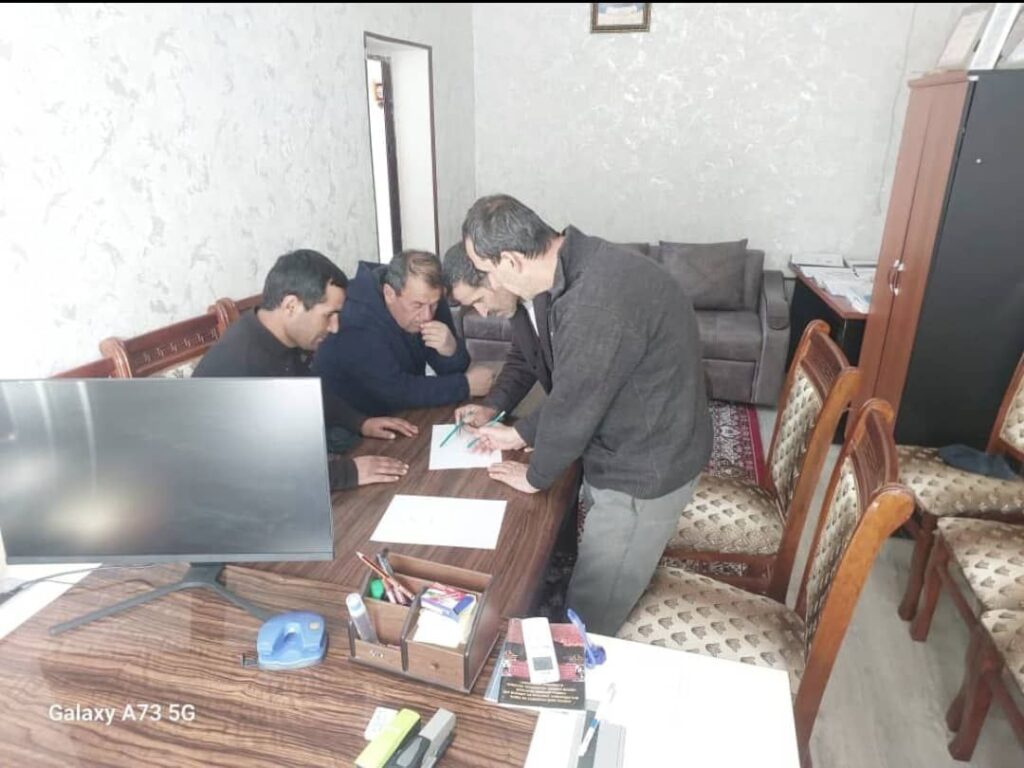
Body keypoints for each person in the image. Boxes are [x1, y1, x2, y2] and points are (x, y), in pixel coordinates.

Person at [461, 195, 712, 635]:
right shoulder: (582, 264)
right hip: (639, 433)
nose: (490, 282)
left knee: (590, 611)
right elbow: (577, 385)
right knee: (590, 556)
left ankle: (582, 664)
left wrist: (536, 475)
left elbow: (575, 403)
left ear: (511, 261)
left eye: (487, 271)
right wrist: (524, 435)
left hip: (644, 468)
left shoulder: (593, 303)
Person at [193, 249, 417, 489]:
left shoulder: (278, 336)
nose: (334, 327)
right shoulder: (240, 368)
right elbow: (261, 469)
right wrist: (348, 473)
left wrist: (361, 422)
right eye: (329, 315)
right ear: (291, 306)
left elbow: (310, 392)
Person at [313, 249, 494, 415]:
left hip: (400, 412)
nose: (427, 316)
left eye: (434, 305)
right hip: (351, 421)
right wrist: (465, 385)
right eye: (417, 305)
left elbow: (452, 370)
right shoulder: (356, 316)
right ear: (389, 294)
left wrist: (451, 350)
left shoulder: (428, 298)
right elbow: (394, 390)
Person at [442, 242, 552, 433]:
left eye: (479, 300)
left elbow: (577, 392)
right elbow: (524, 359)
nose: (483, 313)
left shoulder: (559, 300)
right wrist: (492, 408)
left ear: (494, 274)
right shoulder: (519, 304)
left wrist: (521, 435)